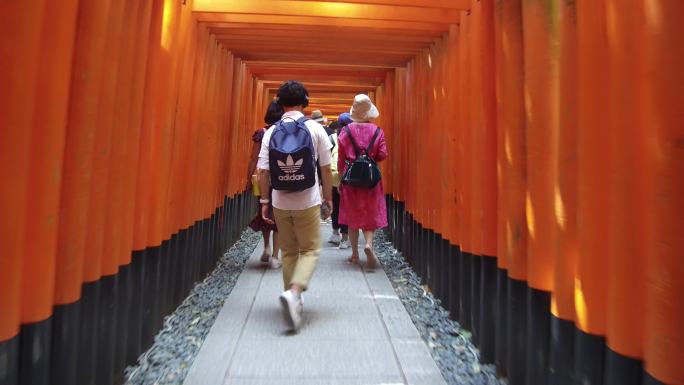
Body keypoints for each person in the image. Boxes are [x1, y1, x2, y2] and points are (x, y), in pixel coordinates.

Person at [257, 81, 333, 331]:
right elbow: (325, 168)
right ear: (305, 101)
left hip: (280, 200)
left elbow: (263, 171)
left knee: (289, 251)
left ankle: (293, 297)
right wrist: (328, 199)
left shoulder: (271, 131)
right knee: (311, 249)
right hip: (307, 199)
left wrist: (265, 201)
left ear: (280, 102)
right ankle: (295, 292)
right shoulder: (315, 129)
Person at [337, 94, 388, 268]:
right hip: (371, 179)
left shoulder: (346, 131)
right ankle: (368, 244)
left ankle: (354, 254)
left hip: (351, 179)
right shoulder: (378, 131)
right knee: (370, 213)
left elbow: (341, 158)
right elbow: (382, 155)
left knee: (352, 216)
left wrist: (340, 177)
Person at [246, 100, 283, 269]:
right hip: (281, 178)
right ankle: (276, 255)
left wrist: (248, 178)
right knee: (279, 217)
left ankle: (266, 247)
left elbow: (254, 158)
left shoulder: (261, 133)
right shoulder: (284, 133)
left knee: (264, 212)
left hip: (263, 179)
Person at [329, 113, 351, 249]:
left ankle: (335, 232)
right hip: (347, 175)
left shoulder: (332, 137)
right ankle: (345, 238)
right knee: (346, 207)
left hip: (333, 176)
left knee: (335, 205)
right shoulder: (351, 136)